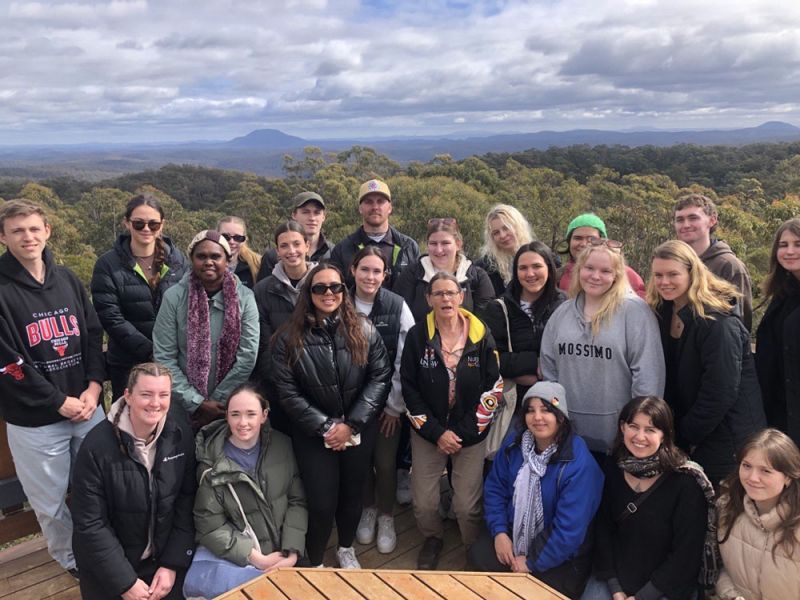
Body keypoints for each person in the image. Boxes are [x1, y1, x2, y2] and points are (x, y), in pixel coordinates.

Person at [0, 199, 105, 577]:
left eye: (33, 228)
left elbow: (93, 334)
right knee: (50, 503)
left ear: (47, 231)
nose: (27, 237)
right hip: (36, 421)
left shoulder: (68, 280)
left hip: (89, 409)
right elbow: (8, 363)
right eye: (17, 230)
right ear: (3, 237)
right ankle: (74, 561)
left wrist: (94, 387)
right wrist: (58, 402)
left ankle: (105, 549)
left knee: (102, 487)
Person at [270, 262, 392, 568]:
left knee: (353, 496)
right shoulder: (288, 337)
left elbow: (380, 377)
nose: (328, 293)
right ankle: (315, 559)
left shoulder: (364, 329)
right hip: (313, 433)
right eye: (319, 287)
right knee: (321, 503)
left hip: (357, 429)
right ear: (308, 293)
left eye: (335, 287)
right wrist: (326, 427)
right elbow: (286, 392)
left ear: (344, 291)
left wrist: (350, 425)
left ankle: (346, 547)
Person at [401, 272, 503, 570]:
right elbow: (408, 387)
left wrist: (464, 432)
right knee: (424, 503)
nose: (445, 299)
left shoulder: (481, 334)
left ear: (461, 296)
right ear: (428, 299)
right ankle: (433, 538)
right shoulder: (418, 336)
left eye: (451, 293)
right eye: (439, 294)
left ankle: (473, 547)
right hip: (428, 431)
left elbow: (493, 387)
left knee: (466, 506)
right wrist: (436, 433)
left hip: (470, 432)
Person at [71, 362, 196, 600]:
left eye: (163, 395)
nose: (155, 403)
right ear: (127, 396)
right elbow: (91, 523)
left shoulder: (180, 435)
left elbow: (186, 501)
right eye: (146, 394)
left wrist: (172, 564)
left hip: (163, 564)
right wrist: (125, 582)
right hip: (111, 569)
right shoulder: (96, 447)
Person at [647, 240, 765, 485]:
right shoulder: (663, 312)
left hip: (727, 440)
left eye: (673, 274)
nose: (664, 281)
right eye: (658, 275)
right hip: (693, 434)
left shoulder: (718, 321)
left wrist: (682, 434)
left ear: (693, 272)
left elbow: (720, 392)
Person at [471, 382, 603, 598]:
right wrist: (500, 532)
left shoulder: (580, 464)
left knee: (537, 592)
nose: (537, 417)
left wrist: (531, 560)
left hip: (562, 555)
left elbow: (568, 531)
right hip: (515, 534)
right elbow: (495, 488)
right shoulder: (514, 445)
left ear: (561, 416)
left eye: (546, 410)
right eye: (530, 410)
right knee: (479, 556)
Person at [540, 241, 665, 458]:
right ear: (579, 270)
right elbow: (549, 369)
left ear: (617, 275)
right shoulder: (563, 313)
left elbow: (648, 376)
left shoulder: (635, 312)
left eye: (605, 271)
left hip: (619, 439)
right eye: (589, 268)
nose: (595, 276)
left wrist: (638, 429)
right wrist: (555, 416)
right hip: (568, 436)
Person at [183, 384, 307, 599]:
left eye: (251, 414)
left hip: (282, 552)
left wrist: (292, 550)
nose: (243, 423)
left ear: (264, 415)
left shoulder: (283, 445)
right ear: (227, 417)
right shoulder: (211, 464)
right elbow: (210, 526)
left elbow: (297, 500)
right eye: (235, 415)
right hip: (242, 557)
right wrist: (257, 559)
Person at [585, 396, 711, 600]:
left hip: (663, 587)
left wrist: (643, 596)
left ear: (664, 435)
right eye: (633, 426)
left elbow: (685, 554)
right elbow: (603, 530)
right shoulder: (612, 469)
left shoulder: (685, 483)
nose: (640, 437)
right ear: (622, 427)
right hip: (614, 580)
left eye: (650, 430)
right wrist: (615, 587)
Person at [153, 230, 259, 430]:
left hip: (229, 404)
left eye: (215, 256)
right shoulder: (173, 298)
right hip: (181, 404)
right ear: (192, 260)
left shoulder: (245, 298)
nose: (208, 261)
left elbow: (247, 356)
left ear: (227, 260)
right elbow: (164, 357)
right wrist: (197, 403)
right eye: (201, 256)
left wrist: (216, 402)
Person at [350, 247, 415, 554]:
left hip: (388, 404)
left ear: (385, 275)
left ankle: (387, 516)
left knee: (386, 463)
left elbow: (406, 358)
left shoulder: (397, 305)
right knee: (360, 463)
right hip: (351, 405)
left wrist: (395, 405)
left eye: (377, 271)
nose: (370, 277)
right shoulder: (339, 301)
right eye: (365, 269)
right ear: (353, 270)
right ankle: (368, 509)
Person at [92, 193, 188, 401]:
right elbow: (111, 317)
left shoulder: (178, 260)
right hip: (127, 364)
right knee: (128, 422)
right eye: (139, 223)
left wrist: (170, 353)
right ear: (127, 223)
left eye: (153, 224)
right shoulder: (107, 264)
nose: (146, 229)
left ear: (162, 225)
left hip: (173, 363)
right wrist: (151, 352)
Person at [716, 428, 800, 600]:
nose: (753, 478)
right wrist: (731, 596)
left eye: (766, 470)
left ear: (788, 477)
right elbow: (717, 568)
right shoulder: (726, 509)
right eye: (747, 466)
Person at [481, 241, 566, 402]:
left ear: (549, 268)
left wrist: (544, 368)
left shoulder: (565, 306)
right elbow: (489, 357)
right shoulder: (499, 308)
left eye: (536, 266)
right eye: (523, 268)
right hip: (514, 403)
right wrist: (534, 363)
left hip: (559, 400)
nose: (530, 273)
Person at [253, 221, 317, 433]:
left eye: (297, 244)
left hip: (318, 385)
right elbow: (264, 343)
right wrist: (283, 387)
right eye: (284, 246)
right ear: (277, 250)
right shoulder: (263, 290)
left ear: (307, 246)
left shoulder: (322, 284)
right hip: (278, 388)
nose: (292, 251)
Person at [673, 193, 753, 330]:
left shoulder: (729, 266)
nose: (685, 225)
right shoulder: (670, 263)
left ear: (712, 220)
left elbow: (740, 324)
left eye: (693, 218)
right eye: (680, 220)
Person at [394, 217, 494, 323]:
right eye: (433, 243)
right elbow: (400, 316)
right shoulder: (412, 275)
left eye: (445, 243)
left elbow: (485, 322)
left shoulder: (477, 277)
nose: (439, 250)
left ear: (458, 244)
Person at [755, 218, 800, 446]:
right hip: (779, 416)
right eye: (783, 245)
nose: (790, 251)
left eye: (797, 244)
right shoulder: (782, 295)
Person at [330, 178, 420, 289]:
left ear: (390, 208)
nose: (375, 207)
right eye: (368, 202)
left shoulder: (409, 247)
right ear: (360, 208)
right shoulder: (342, 249)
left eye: (380, 201)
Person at [557, 213, 646, 298]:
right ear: (569, 241)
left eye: (592, 239)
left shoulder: (626, 275)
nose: (584, 244)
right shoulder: (558, 275)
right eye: (577, 238)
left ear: (603, 241)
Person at [257, 191, 334, 280]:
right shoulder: (272, 257)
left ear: (323, 217)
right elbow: (263, 290)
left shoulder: (334, 253)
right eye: (305, 212)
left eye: (317, 213)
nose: (312, 218)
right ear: (294, 215)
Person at [474, 204, 535, 297]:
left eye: (506, 228)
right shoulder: (484, 268)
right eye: (496, 233)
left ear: (518, 227)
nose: (502, 235)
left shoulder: (539, 257)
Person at [217, 216, 261, 289]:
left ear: (245, 239)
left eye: (238, 238)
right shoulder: (204, 264)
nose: (231, 242)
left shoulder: (256, 265)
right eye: (225, 237)